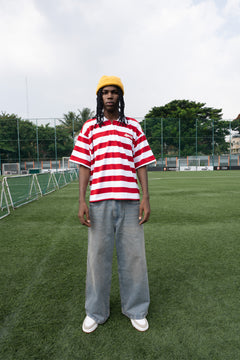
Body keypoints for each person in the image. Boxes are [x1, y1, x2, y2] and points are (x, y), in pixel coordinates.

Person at [69, 75, 156, 333]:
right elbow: (84, 165)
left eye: (114, 92)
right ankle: (95, 311)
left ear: (120, 96)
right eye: (105, 92)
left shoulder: (133, 126)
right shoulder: (89, 128)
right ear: (100, 97)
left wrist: (146, 197)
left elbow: (141, 163)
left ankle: (136, 309)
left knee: (134, 258)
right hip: (98, 203)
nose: (109, 96)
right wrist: (82, 200)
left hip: (130, 202)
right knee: (97, 258)